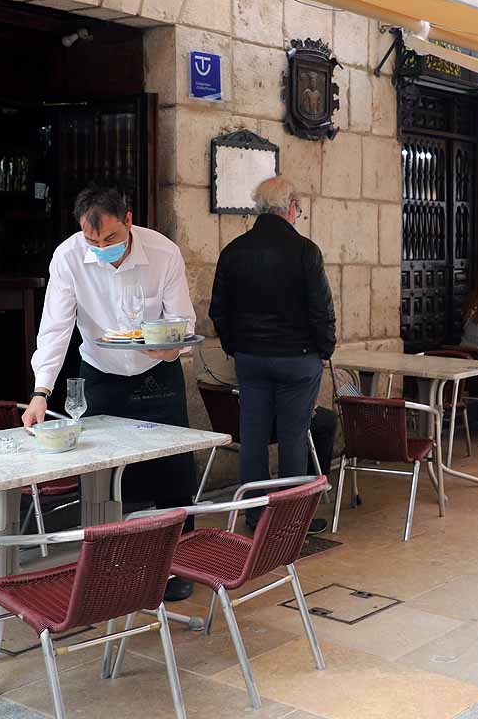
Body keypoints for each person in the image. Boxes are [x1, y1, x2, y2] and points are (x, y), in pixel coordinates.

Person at [24, 186, 199, 602]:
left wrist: (172, 346)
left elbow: (182, 319)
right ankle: (109, 564)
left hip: (157, 369)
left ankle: (179, 564)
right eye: (92, 240)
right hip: (101, 370)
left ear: (129, 221)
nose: (101, 248)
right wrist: (40, 391)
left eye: (110, 239)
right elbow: (55, 329)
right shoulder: (68, 258)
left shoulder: (163, 253)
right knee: (103, 474)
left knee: (173, 473)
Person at [209, 177, 336, 533]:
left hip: (251, 358)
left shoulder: (234, 251)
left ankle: (255, 514)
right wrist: (324, 349)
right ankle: (288, 521)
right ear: (291, 206)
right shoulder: (305, 251)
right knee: (294, 438)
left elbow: (219, 309)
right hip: (298, 358)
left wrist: (235, 346)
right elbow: (321, 310)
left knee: (253, 437)